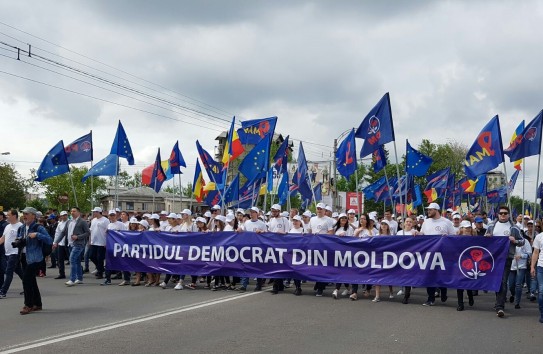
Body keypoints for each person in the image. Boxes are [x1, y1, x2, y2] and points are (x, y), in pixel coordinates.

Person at [485, 205, 524, 318]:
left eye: (505, 213)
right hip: (493, 257)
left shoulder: (514, 228)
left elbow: (522, 241)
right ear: (498, 214)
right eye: (501, 213)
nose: (503, 215)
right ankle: (499, 301)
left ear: (508, 215)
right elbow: (484, 239)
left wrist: (515, 240)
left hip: (506, 257)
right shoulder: (492, 225)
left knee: (502, 281)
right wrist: (487, 237)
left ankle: (500, 306)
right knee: (496, 281)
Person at [16, 207, 52, 315]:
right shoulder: (22, 228)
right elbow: (20, 240)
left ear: (33, 216)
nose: (24, 216)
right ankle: (38, 304)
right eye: (23, 213)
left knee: (26, 280)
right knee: (31, 280)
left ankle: (28, 305)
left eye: (27, 213)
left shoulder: (38, 227)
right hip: (24, 257)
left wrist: (37, 235)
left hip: (35, 258)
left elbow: (49, 240)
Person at [419, 202, 456, 306]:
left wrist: (447, 236)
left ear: (436, 210)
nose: (428, 211)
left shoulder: (446, 222)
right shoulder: (426, 222)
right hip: (429, 253)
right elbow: (423, 234)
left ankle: (443, 291)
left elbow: (453, 236)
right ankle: (430, 298)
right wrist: (417, 233)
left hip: (443, 254)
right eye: (428, 210)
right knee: (429, 275)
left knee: (441, 274)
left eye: (430, 210)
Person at [54, 207, 90, 287]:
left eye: (74, 211)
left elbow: (88, 233)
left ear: (79, 212)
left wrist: (78, 237)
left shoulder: (82, 222)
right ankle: (80, 278)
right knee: (76, 261)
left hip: (78, 244)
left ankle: (72, 279)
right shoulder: (69, 222)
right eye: (71, 211)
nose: (72, 212)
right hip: (70, 244)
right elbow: (63, 233)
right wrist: (56, 242)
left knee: (72, 259)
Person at [310, 203, 335, 297]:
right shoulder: (312, 219)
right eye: (318, 209)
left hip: (323, 246)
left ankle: (320, 287)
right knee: (314, 266)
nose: (319, 210)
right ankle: (318, 283)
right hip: (313, 245)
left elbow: (331, 232)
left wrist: (321, 236)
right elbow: (309, 231)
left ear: (325, 211)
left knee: (321, 267)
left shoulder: (328, 220)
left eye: (321, 209)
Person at [0, 209, 24, 298]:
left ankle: (3, 292)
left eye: (8, 215)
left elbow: (22, 240)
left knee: (8, 271)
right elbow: (3, 238)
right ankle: (29, 287)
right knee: (19, 271)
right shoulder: (7, 226)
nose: (7, 217)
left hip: (15, 252)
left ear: (14, 216)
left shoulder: (20, 226)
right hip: (7, 253)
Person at [508, 233, 532, 310]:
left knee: (518, 284)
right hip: (511, 266)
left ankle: (517, 302)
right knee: (511, 285)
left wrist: (521, 256)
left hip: (521, 266)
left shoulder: (525, 241)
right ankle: (513, 294)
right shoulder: (508, 241)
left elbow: (529, 253)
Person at [89, 207, 109, 279]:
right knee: (91, 256)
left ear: (98, 212)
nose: (94, 213)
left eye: (95, 212)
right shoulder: (93, 220)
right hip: (94, 242)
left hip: (101, 242)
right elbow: (91, 231)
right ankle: (100, 268)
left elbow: (108, 231)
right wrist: (90, 240)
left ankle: (100, 272)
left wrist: (107, 242)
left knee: (100, 258)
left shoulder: (105, 220)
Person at [531, 227, 543, 323]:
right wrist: (532, 267)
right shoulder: (539, 237)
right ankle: (542, 314)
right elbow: (535, 253)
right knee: (541, 292)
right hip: (541, 267)